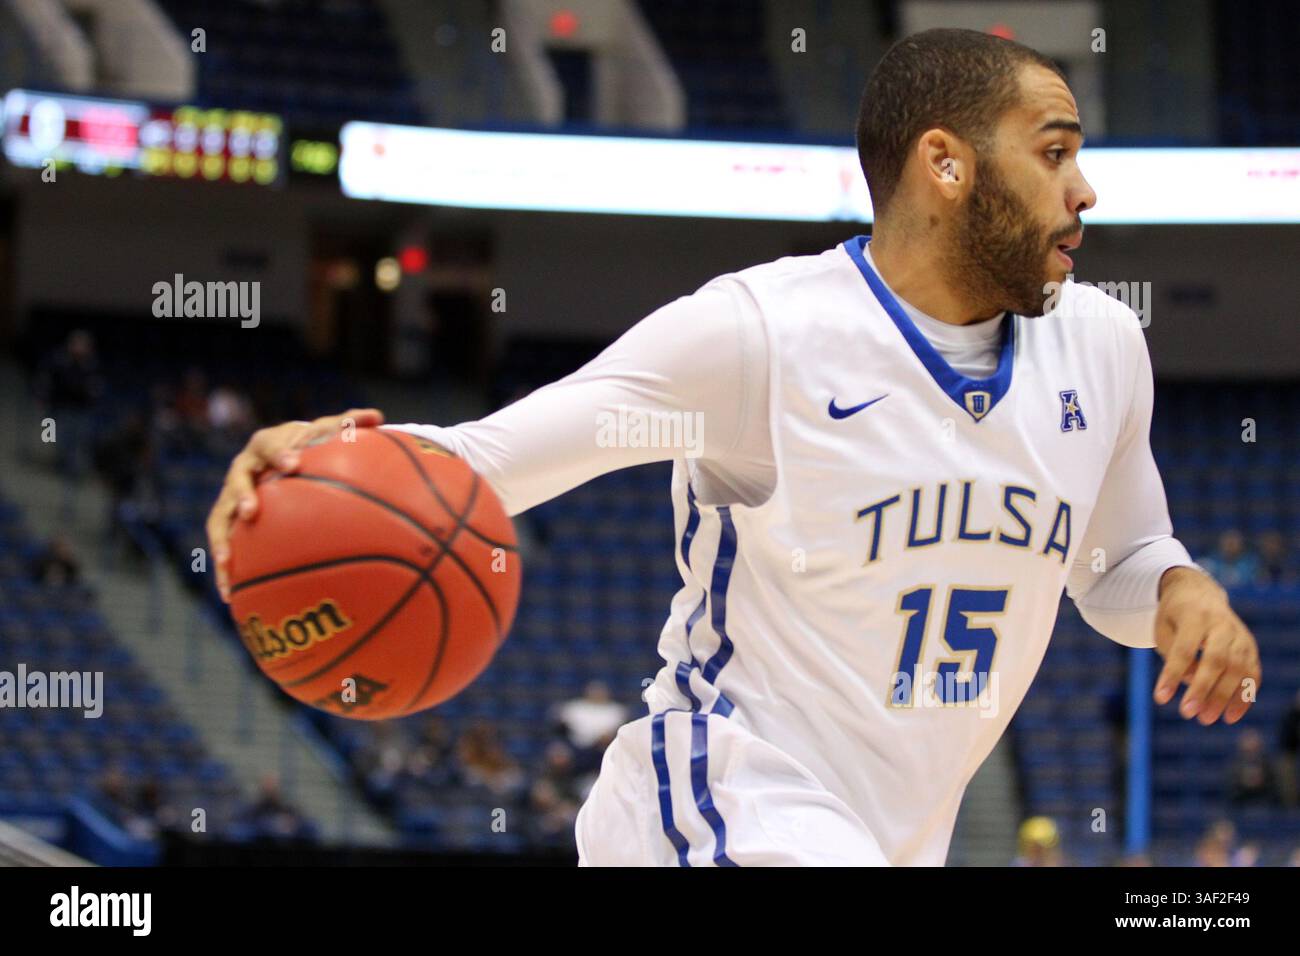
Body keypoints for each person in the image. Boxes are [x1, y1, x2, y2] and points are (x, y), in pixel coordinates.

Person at [205, 29, 1262, 866]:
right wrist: (323, 458)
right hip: (722, 797)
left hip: (887, 836)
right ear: (943, 163)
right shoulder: (762, 334)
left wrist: (1180, 593)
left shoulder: (1103, 346)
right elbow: (487, 459)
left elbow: (1113, 563)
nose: (1084, 190)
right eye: (1053, 152)